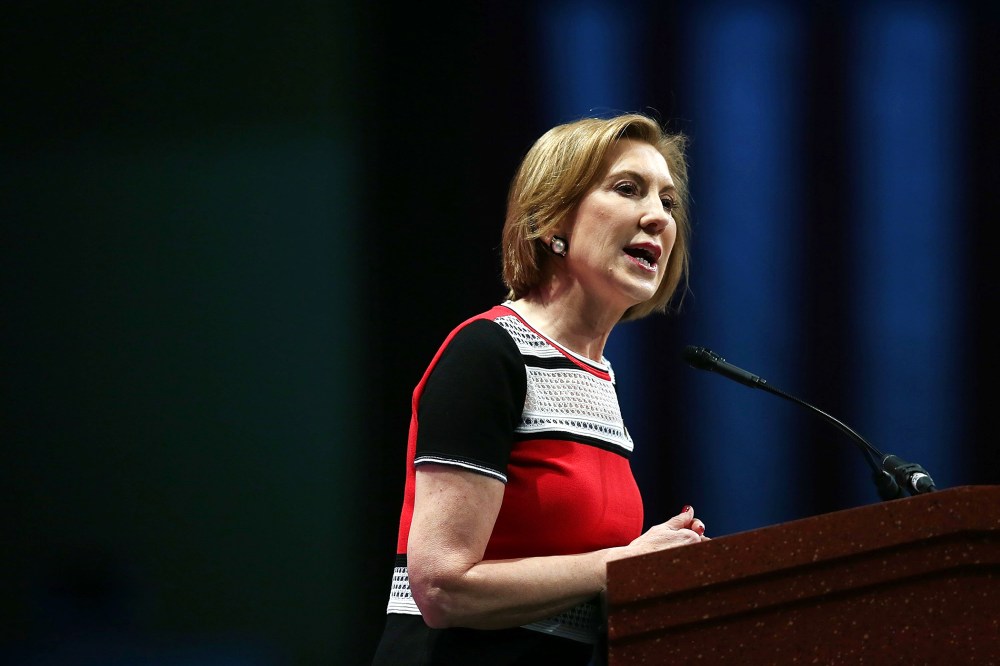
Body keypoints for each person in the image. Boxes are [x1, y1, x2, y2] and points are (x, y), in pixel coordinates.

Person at [372, 111, 710, 666]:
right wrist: (624, 563)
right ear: (552, 219)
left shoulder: (597, 378)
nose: (657, 217)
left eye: (668, 202)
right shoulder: (487, 353)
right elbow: (441, 587)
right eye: (628, 190)